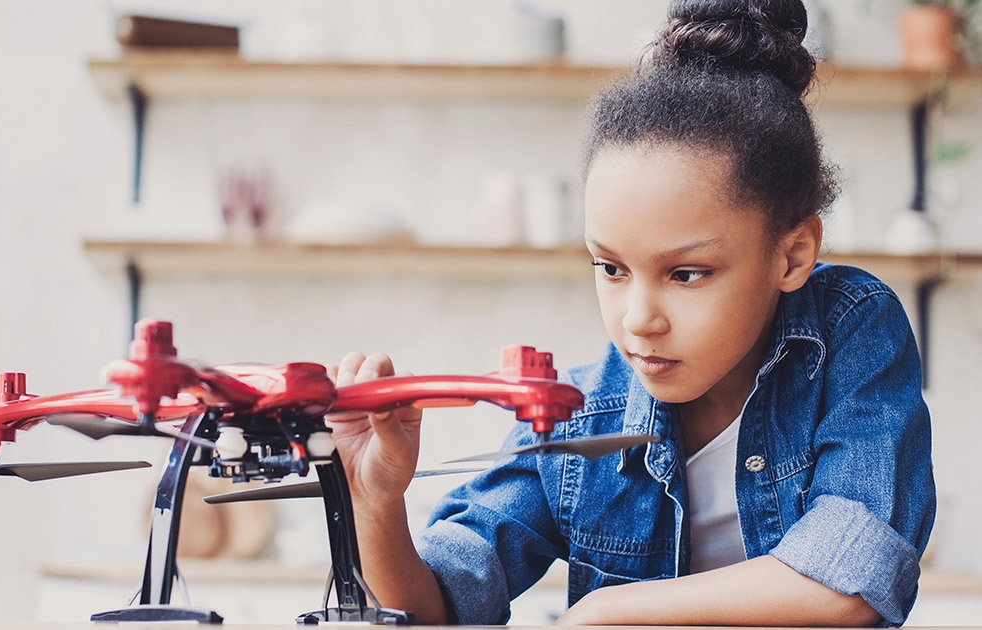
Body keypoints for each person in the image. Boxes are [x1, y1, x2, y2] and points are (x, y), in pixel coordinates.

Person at [325, 0, 937, 626]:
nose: (638, 319)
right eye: (611, 268)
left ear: (792, 254)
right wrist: (375, 506)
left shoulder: (851, 328)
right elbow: (433, 611)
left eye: (686, 273)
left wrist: (608, 610)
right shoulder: (577, 417)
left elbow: (848, 587)